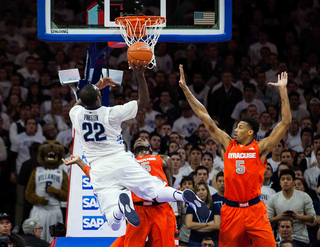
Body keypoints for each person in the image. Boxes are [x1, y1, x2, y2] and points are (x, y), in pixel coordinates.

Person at [69, 62, 209, 231]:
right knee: (155, 190)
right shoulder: (111, 113)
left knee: (113, 223)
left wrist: (97, 86)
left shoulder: (75, 115)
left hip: (100, 168)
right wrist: (140, 75)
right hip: (121, 160)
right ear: (99, 97)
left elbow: (78, 104)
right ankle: (182, 196)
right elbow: (144, 102)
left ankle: (121, 207)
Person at [179, 63, 291, 246]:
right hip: (231, 210)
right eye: (236, 126)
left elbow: (286, 122)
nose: (236, 129)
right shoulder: (227, 144)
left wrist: (283, 90)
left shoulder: (260, 148)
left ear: (250, 132)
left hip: (255, 209)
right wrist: (186, 90)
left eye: (240, 127)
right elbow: (203, 116)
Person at [63, 137, 178, 247]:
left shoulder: (163, 159)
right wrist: (80, 162)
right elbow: (98, 177)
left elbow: (169, 185)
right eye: (137, 140)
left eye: (144, 139)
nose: (139, 139)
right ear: (132, 152)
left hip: (160, 207)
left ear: (151, 149)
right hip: (138, 209)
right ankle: (122, 208)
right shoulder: (126, 162)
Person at [267, 169, 316, 247]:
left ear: (293, 182)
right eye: (283, 179)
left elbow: (312, 218)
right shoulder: (273, 198)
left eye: (288, 179)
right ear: (280, 182)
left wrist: (298, 216)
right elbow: (267, 220)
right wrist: (280, 217)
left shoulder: (304, 196)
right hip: (281, 239)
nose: (285, 181)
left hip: (301, 238)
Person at [185, 182, 221, 247]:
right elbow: (189, 225)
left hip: (212, 241)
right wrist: (207, 224)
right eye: (198, 190)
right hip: (195, 241)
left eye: (203, 189)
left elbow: (217, 225)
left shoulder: (215, 206)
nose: (201, 192)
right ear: (195, 193)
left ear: (207, 191)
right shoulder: (191, 207)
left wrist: (196, 228)